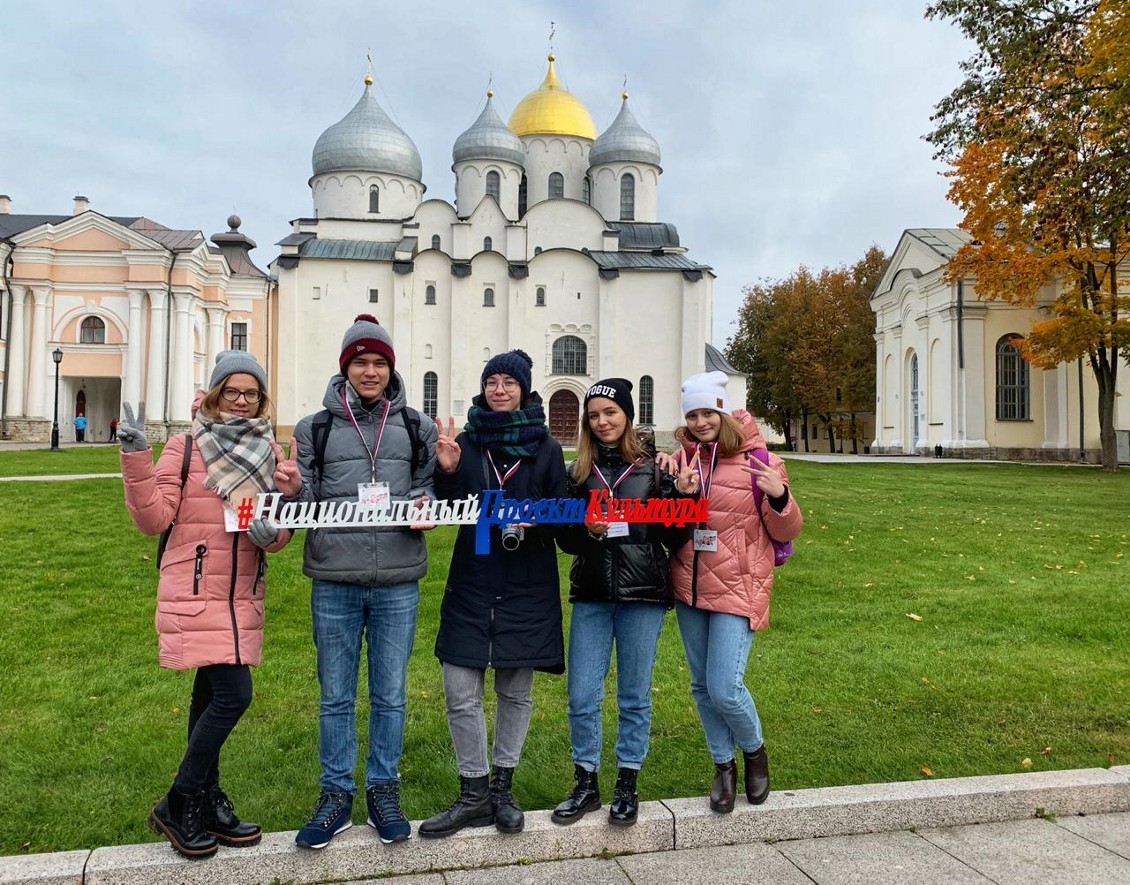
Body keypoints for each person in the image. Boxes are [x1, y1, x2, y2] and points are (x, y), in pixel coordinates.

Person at [117, 350, 291, 859]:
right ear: (215, 393)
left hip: (242, 594)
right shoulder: (187, 446)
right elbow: (154, 518)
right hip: (196, 589)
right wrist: (135, 459)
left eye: (251, 393)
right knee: (234, 695)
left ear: (261, 398)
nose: (241, 401)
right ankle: (180, 800)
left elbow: (275, 528)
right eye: (232, 391)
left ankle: (208, 803)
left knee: (206, 696)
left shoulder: (269, 451)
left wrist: (275, 532)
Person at [272, 313, 437, 848]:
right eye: (361, 362)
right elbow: (307, 505)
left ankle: (383, 790)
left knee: (390, 694)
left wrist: (426, 504)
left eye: (379, 362)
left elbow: (426, 487)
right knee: (335, 695)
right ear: (346, 368)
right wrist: (296, 488)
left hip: (396, 577)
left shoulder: (417, 426)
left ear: (391, 368)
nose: (371, 371)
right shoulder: (314, 428)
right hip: (334, 577)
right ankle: (335, 793)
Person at [420, 349, 567, 838]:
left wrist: (539, 516)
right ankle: (472, 792)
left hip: (526, 581)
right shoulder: (466, 441)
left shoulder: (545, 446)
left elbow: (564, 515)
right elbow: (446, 507)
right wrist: (446, 471)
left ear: (523, 389)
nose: (499, 389)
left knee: (514, 692)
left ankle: (502, 788)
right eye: (492, 381)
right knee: (460, 689)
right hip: (474, 579)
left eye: (508, 381)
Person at [552, 379, 696, 827]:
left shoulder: (654, 470)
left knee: (633, 696)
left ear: (627, 417)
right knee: (582, 695)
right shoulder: (579, 472)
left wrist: (686, 498)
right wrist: (586, 530)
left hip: (642, 594)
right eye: (594, 415)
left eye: (610, 413)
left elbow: (675, 536)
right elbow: (565, 539)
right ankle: (586, 781)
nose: (602, 422)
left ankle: (627, 782)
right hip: (592, 593)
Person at [667, 371, 802, 812]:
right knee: (702, 687)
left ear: (723, 412)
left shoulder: (760, 460)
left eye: (708, 412)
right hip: (689, 583)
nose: (701, 422)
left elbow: (787, 529)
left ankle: (754, 750)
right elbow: (670, 528)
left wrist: (779, 496)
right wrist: (680, 493)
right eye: (693, 415)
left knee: (725, 687)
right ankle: (723, 767)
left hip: (737, 585)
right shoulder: (681, 460)